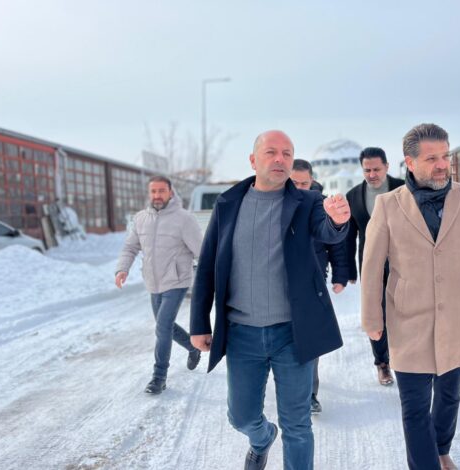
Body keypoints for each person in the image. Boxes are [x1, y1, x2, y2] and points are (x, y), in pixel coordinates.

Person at [189, 130, 351, 470]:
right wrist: (199, 323)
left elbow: (326, 229)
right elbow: (207, 265)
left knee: (298, 424)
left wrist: (338, 221)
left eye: (287, 153)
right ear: (253, 160)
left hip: (293, 334)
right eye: (271, 152)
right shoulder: (228, 204)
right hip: (242, 334)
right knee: (240, 416)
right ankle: (262, 437)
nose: (280, 159)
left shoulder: (307, 202)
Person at [360, 123, 460, 470]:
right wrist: (372, 318)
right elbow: (372, 265)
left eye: (446, 156)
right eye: (432, 159)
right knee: (414, 408)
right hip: (407, 321)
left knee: (448, 397)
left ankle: (441, 450)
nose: (443, 164)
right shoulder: (388, 205)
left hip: (456, 318)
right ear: (410, 162)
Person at [115, 175, 203, 394]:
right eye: (153, 191)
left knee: (162, 327)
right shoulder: (141, 218)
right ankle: (192, 347)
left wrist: (214, 277)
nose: (157, 195)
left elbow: (201, 251)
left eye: (161, 191)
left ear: (170, 192)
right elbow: (130, 247)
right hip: (153, 282)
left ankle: (159, 377)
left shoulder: (184, 219)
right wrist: (122, 269)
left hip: (177, 280)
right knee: (166, 326)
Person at [290, 159, 348, 415]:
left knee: (309, 335)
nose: (299, 187)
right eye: (294, 182)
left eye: (304, 183)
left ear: (312, 181)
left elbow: (336, 242)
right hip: (281, 281)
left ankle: (310, 394)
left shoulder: (321, 204)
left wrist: (340, 275)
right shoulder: (275, 202)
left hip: (313, 278)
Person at [345, 147, 404, 385]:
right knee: (375, 313)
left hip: (404, 261)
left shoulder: (403, 188)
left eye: (377, 169)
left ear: (387, 167)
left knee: (405, 310)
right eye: (367, 170)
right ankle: (382, 363)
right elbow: (349, 236)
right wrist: (349, 269)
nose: (372, 174)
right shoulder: (353, 196)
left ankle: (406, 359)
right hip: (370, 264)